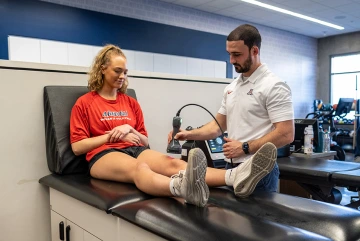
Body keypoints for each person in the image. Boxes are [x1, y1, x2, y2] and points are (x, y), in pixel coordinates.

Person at [70, 44, 277, 209]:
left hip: (135, 148)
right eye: (117, 71)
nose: (122, 76)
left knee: (173, 164)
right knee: (139, 169)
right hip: (103, 155)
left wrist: (130, 130)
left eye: (125, 71)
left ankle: (235, 177)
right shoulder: (85, 102)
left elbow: (144, 141)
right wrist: (111, 136)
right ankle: (181, 187)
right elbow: (78, 147)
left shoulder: (130, 102)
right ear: (102, 68)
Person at [169, 24, 294, 193]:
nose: (232, 60)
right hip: (232, 168)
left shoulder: (274, 86)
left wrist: (244, 147)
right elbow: (217, 126)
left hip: (260, 172)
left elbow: (286, 133)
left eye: (237, 55)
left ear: (254, 51)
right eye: (229, 54)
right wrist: (188, 134)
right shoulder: (232, 87)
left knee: (257, 219)